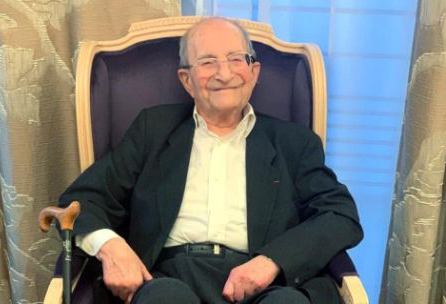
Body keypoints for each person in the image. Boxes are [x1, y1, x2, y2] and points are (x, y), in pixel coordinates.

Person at [59, 16, 363, 304]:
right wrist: (111, 248)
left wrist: (273, 261)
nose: (224, 73)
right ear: (187, 80)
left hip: (263, 284)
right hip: (169, 277)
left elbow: (340, 215)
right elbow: (82, 201)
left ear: (253, 72)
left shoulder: (293, 142)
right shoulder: (152, 129)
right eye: (207, 62)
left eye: (235, 59)